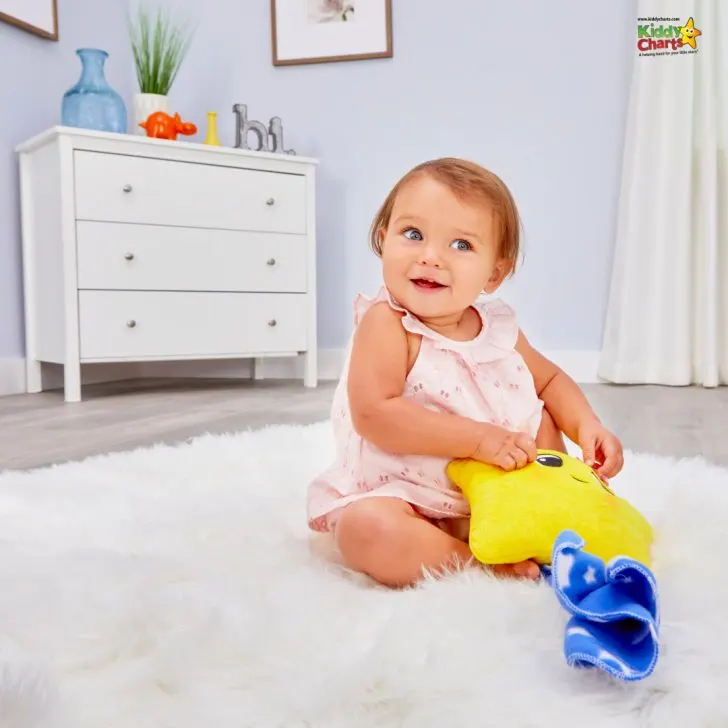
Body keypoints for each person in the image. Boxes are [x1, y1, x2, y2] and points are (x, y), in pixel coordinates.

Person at [306, 157, 623, 588]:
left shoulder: (497, 329)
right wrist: (479, 440)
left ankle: (545, 523)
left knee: (543, 418)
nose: (430, 257)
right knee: (364, 529)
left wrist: (588, 425)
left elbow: (549, 380)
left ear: (494, 273)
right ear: (384, 240)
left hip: (503, 492)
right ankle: (476, 565)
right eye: (413, 235)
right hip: (414, 497)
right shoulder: (388, 324)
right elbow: (375, 414)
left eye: (461, 245)